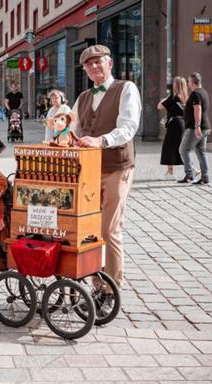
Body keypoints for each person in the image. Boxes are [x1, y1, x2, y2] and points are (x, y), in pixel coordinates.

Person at [71, 44, 142, 291]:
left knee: (109, 229)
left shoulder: (126, 89)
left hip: (116, 167)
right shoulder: (83, 98)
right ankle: (95, 281)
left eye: (97, 62)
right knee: (88, 228)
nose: (93, 67)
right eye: (88, 65)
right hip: (88, 172)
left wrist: (101, 140)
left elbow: (129, 127)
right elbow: (71, 128)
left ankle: (111, 289)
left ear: (109, 63)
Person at [178, 72, 211, 185]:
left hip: (195, 128)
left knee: (183, 150)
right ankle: (205, 177)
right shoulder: (204, 92)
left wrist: (197, 126)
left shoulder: (195, 94)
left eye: (188, 81)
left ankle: (189, 175)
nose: (187, 83)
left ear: (192, 82)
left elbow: (198, 109)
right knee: (201, 152)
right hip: (205, 127)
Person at [158, 76, 188, 178]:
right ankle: (171, 172)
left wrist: (165, 98)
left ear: (176, 85)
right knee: (178, 147)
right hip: (182, 124)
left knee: (169, 147)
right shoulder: (185, 97)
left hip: (174, 124)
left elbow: (159, 106)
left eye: (174, 83)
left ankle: (191, 169)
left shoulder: (173, 97)